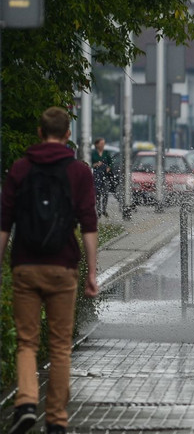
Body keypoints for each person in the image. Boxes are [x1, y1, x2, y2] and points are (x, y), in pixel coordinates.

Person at [1, 106, 99, 434]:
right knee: (59, 345)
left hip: (26, 266)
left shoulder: (19, 169)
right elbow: (88, 224)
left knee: (27, 343)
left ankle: (26, 403)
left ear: (40, 133)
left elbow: (3, 224)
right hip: (63, 267)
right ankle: (56, 420)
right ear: (68, 134)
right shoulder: (79, 172)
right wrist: (92, 273)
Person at [90, 137, 113, 217]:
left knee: (105, 193)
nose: (103, 145)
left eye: (104, 144)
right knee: (97, 193)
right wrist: (96, 164)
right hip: (96, 176)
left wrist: (109, 168)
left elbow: (111, 163)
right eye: (101, 143)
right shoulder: (93, 154)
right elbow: (89, 164)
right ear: (97, 144)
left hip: (105, 175)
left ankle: (104, 209)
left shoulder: (106, 153)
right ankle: (98, 210)